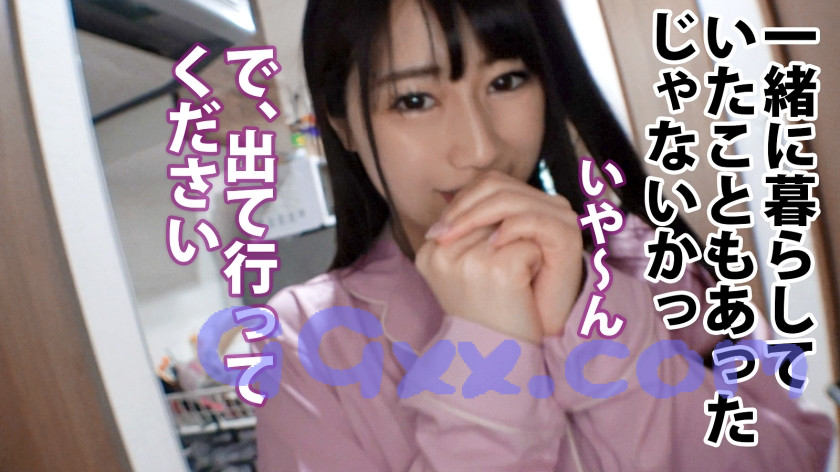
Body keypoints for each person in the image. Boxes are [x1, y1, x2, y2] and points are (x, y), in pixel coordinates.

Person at [254, 0, 834, 470]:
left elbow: (795, 457)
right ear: (342, 123)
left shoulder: (650, 259)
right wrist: (488, 349)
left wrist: (594, 325)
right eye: (414, 100)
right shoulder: (304, 343)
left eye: (507, 80)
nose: (480, 148)